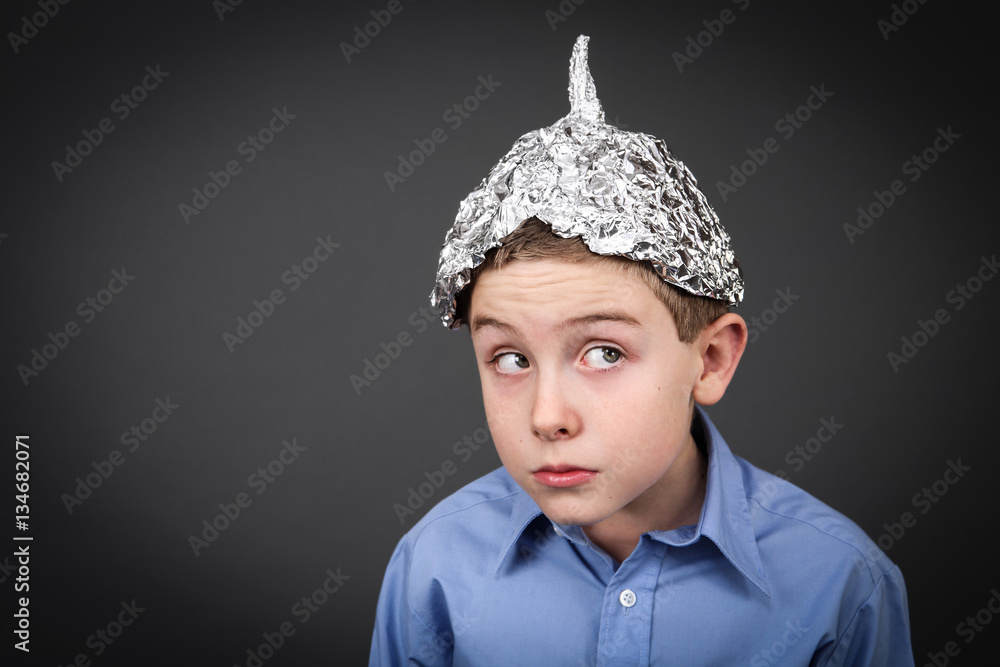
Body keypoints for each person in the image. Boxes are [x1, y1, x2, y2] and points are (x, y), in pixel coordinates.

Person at [369, 35, 913, 666]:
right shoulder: (432, 569)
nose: (547, 417)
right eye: (510, 358)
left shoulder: (838, 585)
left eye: (603, 353)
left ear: (710, 360)